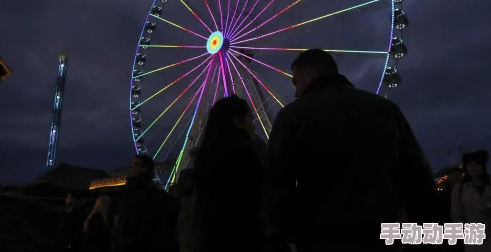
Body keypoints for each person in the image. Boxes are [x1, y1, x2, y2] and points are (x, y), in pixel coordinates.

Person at [267, 49, 445, 252]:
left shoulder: (291, 116)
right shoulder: (387, 110)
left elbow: (277, 184)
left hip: (322, 238)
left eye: (296, 82)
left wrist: (285, 235)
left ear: (308, 73)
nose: (296, 92)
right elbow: (417, 178)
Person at [192, 95, 264, 252]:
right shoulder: (245, 156)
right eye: (250, 120)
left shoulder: (205, 162)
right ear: (237, 122)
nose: (254, 126)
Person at [116, 155, 178, 252]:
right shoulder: (133, 190)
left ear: (144, 168)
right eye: (132, 164)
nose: (131, 167)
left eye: (135, 164)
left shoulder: (145, 193)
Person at [451, 150, 491, 251]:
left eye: (477, 163)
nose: (473, 167)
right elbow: (456, 215)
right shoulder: (459, 188)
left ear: (483, 165)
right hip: (473, 237)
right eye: (469, 164)